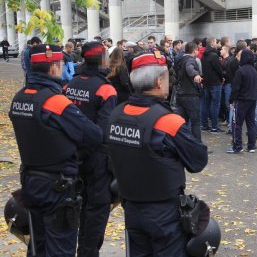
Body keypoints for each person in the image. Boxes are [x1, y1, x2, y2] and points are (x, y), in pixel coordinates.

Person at [106, 52, 208, 256]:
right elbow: (198, 160)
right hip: (164, 213)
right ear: (159, 81)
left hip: (132, 208)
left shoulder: (116, 114)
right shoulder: (168, 122)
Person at [9, 44, 103, 256]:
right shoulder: (55, 102)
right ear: (53, 69)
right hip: (57, 187)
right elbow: (94, 136)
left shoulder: (19, 98)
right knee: (60, 247)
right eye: (60, 65)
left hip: (32, 182)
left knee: (38, 245)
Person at [64, 41, 117, 256]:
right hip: (96, 160)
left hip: (72, 155)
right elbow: (103, 132)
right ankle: (87, 252)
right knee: (96, 209)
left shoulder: (70, 84)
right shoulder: (106, 89)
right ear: (102, 60)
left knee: (76, 205)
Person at [227, 49, 257, 153]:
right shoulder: (254, 70)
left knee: (237, 123)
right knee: (251, 122)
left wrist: (231, 100)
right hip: (252, 99)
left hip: (242, 100)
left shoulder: (240, 71)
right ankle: (252, 145)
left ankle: (237, 146)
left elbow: (235, 88)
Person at [175, 42, 203, 141]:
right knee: (195, 122)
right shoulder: (190, 60)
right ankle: (197, 147)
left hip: (180, 94)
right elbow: (189, 67)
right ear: (195, 50)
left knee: (182, 122)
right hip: (190, 95)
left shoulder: (179, 59)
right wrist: (195, 74)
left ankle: (182, 144)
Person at [201, 37, 225, 133]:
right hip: (215, 83)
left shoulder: (204, 55)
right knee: (215, 104)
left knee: (206, 104)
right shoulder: (214, 55)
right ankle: (214, 127)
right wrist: (222, 77)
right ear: (211, 44)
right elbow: (218, 69)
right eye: (215, 42)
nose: (217, 44)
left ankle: (204, 125)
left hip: (206, 82)